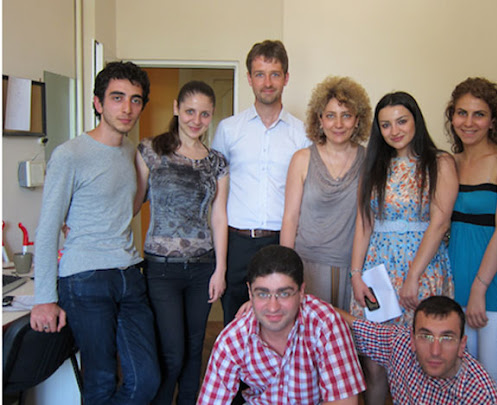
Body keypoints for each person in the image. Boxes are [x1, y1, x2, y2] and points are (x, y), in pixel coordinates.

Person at [30, 61, 160, 404]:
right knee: (100, 381)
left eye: (135, 99)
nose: (127, 108)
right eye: (117, 97)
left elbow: (125, 208)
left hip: (129, 273)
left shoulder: (131, 151)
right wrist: (45, 298)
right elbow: (47, 228)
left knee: (146, 380)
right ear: (97, 103)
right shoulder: (70, 154)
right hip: (85, 278)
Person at [350, 91, 458, 404]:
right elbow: (364, 223)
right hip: (377, 271)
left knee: (421, 356)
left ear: (415, 121)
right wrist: (355, 274)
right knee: (375, 361)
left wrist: (413, 276)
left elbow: (439, 223)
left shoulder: (439, 162)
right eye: (386, 125)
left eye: (401, 121)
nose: (394, 130)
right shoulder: (374, 166)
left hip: (421, 268)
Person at [134, 81, 229, 405]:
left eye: (204, 114)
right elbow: (131, 202)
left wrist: (220, 270)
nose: (196, 120)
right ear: (176, 108)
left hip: (203, 268)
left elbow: (219, 217)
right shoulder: (151, 151)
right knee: (171, 353)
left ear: (211, 115)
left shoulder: (217, 162)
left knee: (193, 351)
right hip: (161, 270)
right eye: (189, 111)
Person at [212, 39, 309, 325]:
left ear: (286, 78)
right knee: (235, 324)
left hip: (282, 241)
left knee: (281, 323)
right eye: (260, 74)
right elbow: (215, 192)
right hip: (237, 244)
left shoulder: (302, 134)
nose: (267, 83)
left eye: (275, 74)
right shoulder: (229, 130)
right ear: (249, 78)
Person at [197, 245, 365, 404]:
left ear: (301, 292)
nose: (273, 307)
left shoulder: (326, 323)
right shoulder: (232, 340)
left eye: (284, 294)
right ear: (250, 292)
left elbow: (344, 401)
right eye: (263, 294)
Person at [444, 77, 497, 404]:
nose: (469, 122)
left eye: (479, 114)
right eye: (462, 113)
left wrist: (480, 287)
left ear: (493, 120)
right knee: (459, 377)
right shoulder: (450, 162)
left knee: (492, 380)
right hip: (453, 275)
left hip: (490, 281)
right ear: (452, 117)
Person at [281, 76, 371, 310]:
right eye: (330, 115)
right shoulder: (302, 159)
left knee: (348, 332)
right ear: (320, 119)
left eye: (346, 115)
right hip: (306, 266)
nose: (338, 124)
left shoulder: (368, 161)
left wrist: (356, 272)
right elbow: (290, 218)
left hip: (353, 267)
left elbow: (366, 220)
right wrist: (286, 270)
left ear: (357, 120)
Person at [337, 296, 497, 404]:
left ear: (462, 345)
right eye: (426, 336)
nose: (435, 351)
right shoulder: (400, 344)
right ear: (412, 339)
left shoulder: (482, 396)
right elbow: (357, 326)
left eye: (446, 338)